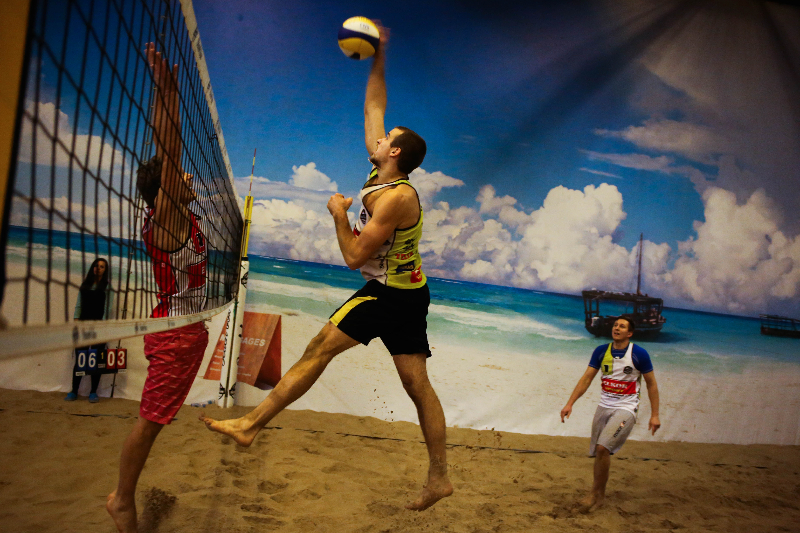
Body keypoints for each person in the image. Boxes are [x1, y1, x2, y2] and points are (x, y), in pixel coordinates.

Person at [200, 25, 453, 511]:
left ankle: (250, 425)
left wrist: (338, 214)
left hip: (390, 294)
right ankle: (439, 477)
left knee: (321, 348)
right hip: (405, 292)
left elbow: (355, 258)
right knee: (415, 384)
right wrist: (379, 55)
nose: (379, 136)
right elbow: (373, 105)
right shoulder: (379, 171)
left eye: (388, 138)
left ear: (395, 153)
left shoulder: (396, 198)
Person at [107, 42, 210, 533]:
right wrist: (165, 93)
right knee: (149, 423)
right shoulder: (168, 219)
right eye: (177, 175)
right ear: (163, 191)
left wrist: (169, 94)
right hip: (174, 335)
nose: (187, 175)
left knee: (158, 420)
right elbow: (170, 149)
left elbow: (172, 156)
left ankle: (124, 497)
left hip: (185, 332)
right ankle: (121, 500)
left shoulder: (183, 217)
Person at [560, 316, 661, 511]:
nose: (617, 328)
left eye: (622, 326)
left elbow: (651, 384)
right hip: (604, 407)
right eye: (615, 325)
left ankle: (595, 495)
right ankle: (599, 495)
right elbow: (586, 379)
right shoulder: (601, 351)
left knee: (602, 448)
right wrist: (570, 403)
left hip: (626, 410)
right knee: (599, 453)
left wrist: (655, 415)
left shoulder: (638, 354)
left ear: (629, 333)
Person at [64, 257, 114, 403]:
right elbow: (78, 306)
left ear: (105, 270)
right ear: (93, 267)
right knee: (81, 358)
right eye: (96, 265)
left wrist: (102, 327)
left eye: (102, 266)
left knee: (96, 360)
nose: (98, 268)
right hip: (83, 326)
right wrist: (76, 323)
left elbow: (107, 308)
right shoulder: (85, 285)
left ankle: (93, 392)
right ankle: (74, 391)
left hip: (99, 327)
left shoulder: (107, 287)